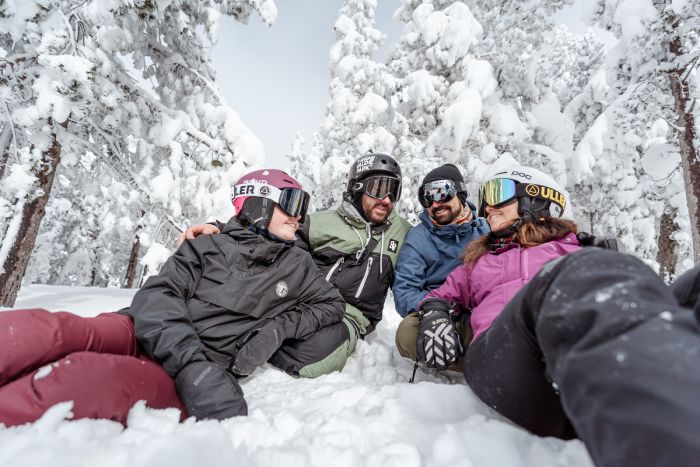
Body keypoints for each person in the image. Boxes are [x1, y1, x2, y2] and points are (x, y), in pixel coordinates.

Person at [0, 169, 345, 425]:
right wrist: (189, 359)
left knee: (85, 378)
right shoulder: (210, 245)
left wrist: (277, 329)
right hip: (143, 330)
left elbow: (332, 305)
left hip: (194, 374)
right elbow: (158, 295)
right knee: (50, 331)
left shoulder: (297, 263)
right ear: (259, 205)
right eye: (291, 203)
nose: (299, 215)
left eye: (303, 205)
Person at [413, 165, 700, 467]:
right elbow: (439, 296)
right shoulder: (480, 260)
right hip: (504, 355)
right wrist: (435, 315)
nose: (486, 207)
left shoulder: (573, 248)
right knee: (569, 273)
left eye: (498, 194)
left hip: (571, 353)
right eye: (486, 198)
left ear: (534, 199)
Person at [180, 154, 412, 375]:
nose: (386, 200)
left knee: (316, 360)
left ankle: (261, 343)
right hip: (300, 305)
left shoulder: (402, 232)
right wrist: (220, 227)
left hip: (349, 315)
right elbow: (268, 233)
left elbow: (426, 251)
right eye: (379, 189)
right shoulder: (322, 223)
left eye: (394, 191)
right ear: (357, 187)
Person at [392, 164, 489, 365]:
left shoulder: (486, 229)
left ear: (460, 193)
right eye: (427, 197)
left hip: (484, 306)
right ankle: (476, 361)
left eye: (443, 192)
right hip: (440, 314)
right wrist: (436, 309)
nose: (436, 203)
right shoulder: (419, 239)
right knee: (407, 333)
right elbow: (405, 293)